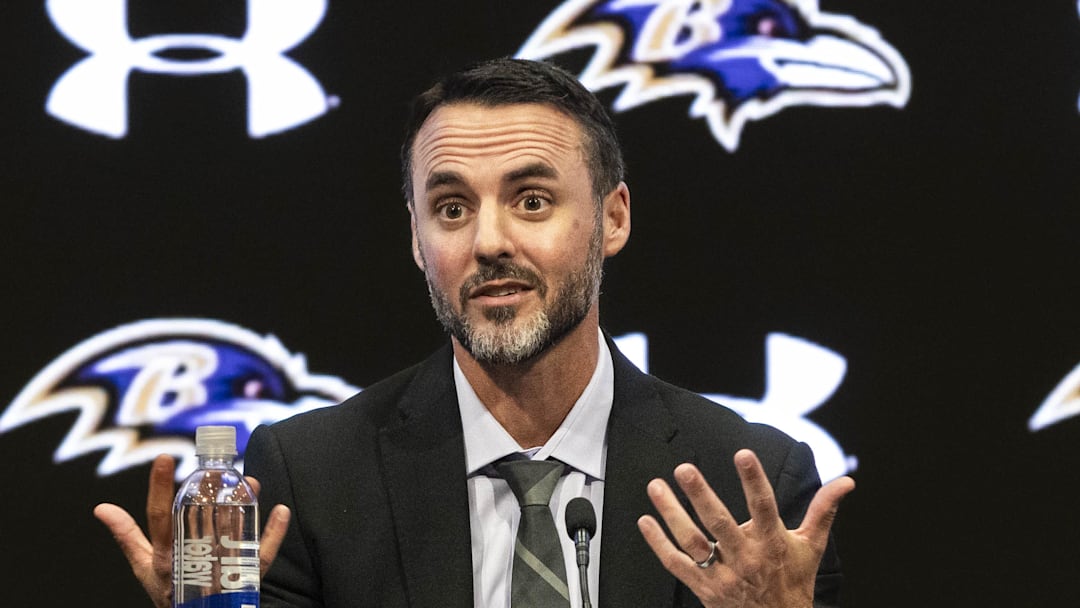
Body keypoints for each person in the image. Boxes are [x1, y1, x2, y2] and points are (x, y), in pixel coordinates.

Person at [94, 57, 854, 608]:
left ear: (613, 217)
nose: (488, 241)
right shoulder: (309, 479)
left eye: (531, 200)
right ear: (419, 241)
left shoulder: (748, 483)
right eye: (452, 208)